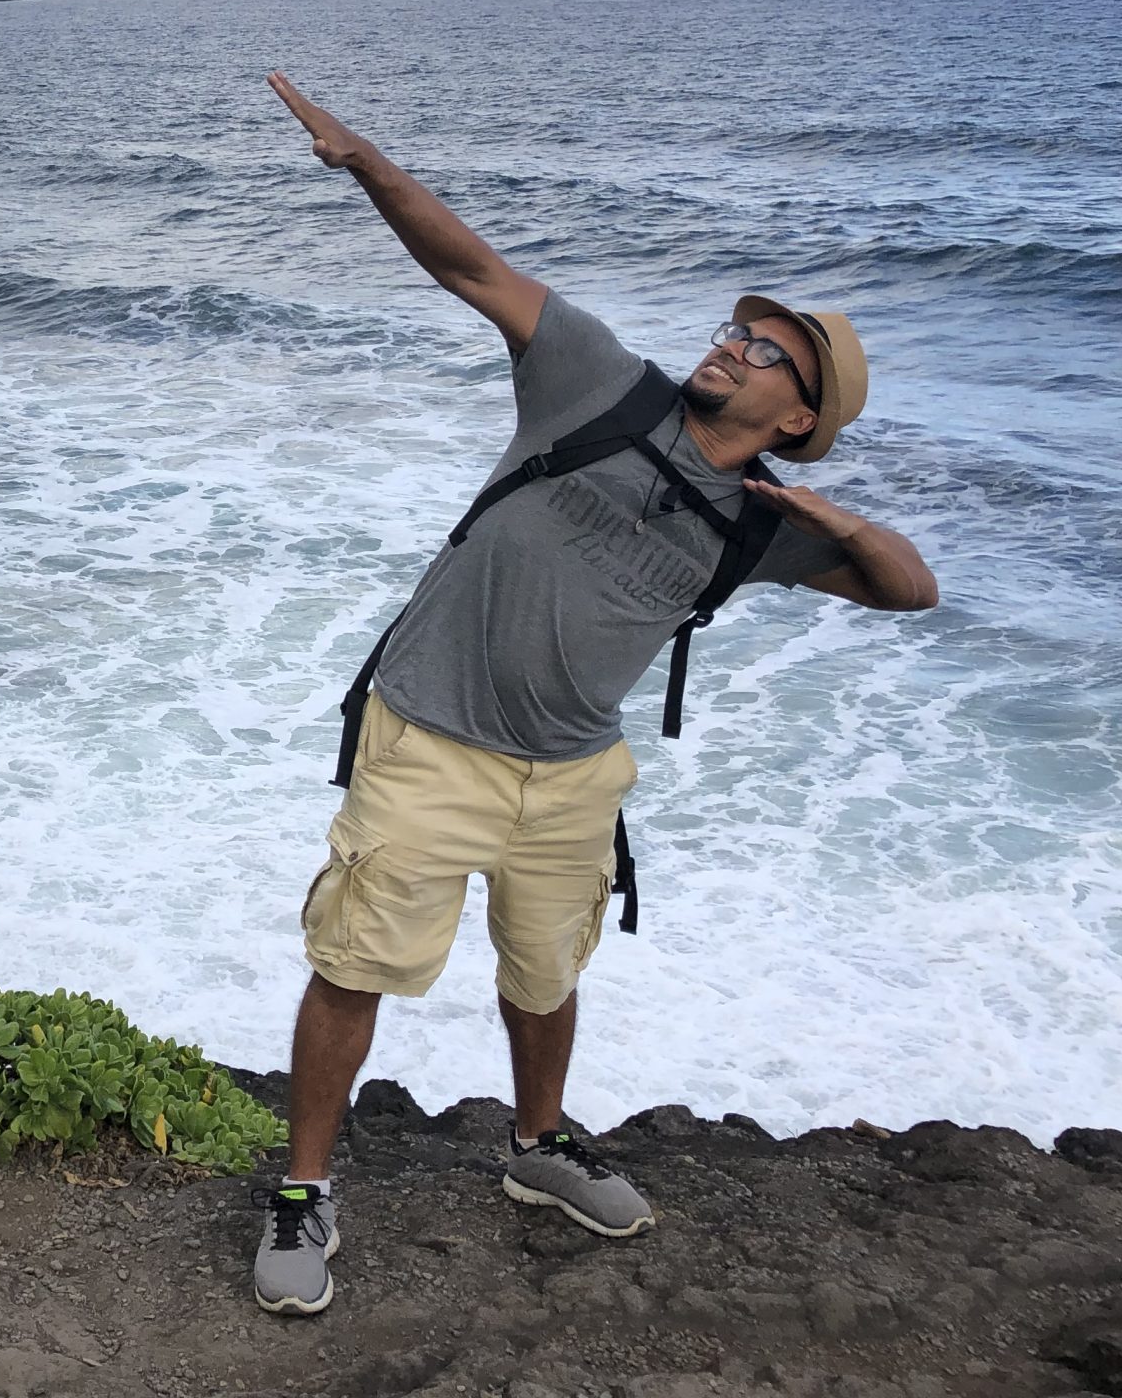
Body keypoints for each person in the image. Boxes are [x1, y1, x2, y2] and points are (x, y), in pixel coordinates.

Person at [251, 71, 940, 1318]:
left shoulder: (761, 529)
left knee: (546, 973)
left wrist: (827, 514)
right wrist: (371, 166)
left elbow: (910, 590)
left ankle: (539, 1146)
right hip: (432, 741)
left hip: (572, 774)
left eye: (766, 351)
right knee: (353, 964)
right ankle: (302, 1191)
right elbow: (470, 266)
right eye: (738, 329)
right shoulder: (595, 383)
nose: (731, 342)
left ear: (795, 419)